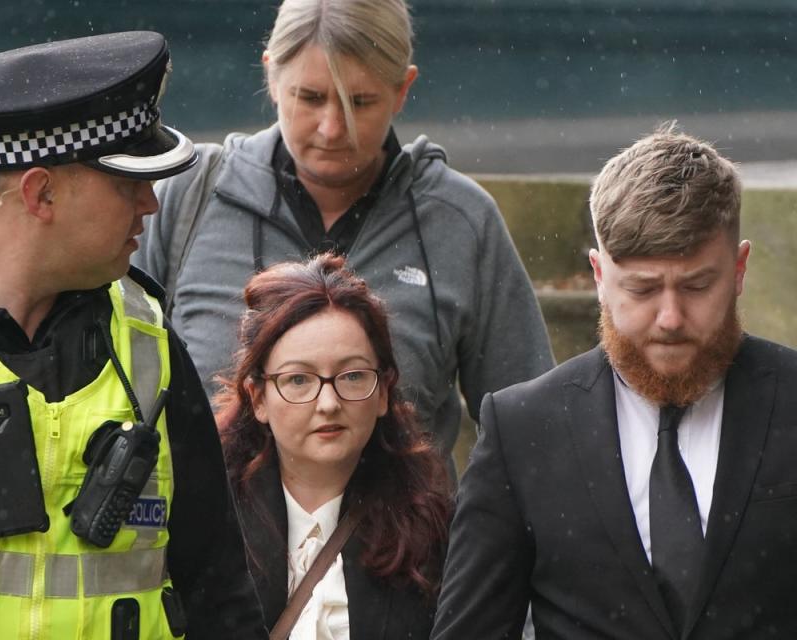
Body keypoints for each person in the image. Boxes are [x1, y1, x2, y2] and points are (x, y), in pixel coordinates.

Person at [0, 32, 267, 639]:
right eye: (127, 184)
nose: (151, 203)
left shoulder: (148, 343)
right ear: (41, 192)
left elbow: (218, 595)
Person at [131, 0, 554, 470]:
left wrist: (478, 539)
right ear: (271, 77)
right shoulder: (186, 199)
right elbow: (114, 388)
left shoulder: (460, 221)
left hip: (401, 542)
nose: (332, 128)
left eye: (360, 101)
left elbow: (535, 435)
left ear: (402, 90)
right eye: (310, 97)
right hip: (207, 539)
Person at [432, 125, 797, 639]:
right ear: (599, 276)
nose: (670, 317)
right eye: (642, 288)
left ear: (739, 269)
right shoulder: (523, 430)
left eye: (697, 285)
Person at [215, 253, 453, 638]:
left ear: (383, 392)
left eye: (353, 375)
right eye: (298, 380)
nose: (328, 404)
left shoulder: (432, 532)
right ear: (257, 397)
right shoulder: (208, 520)